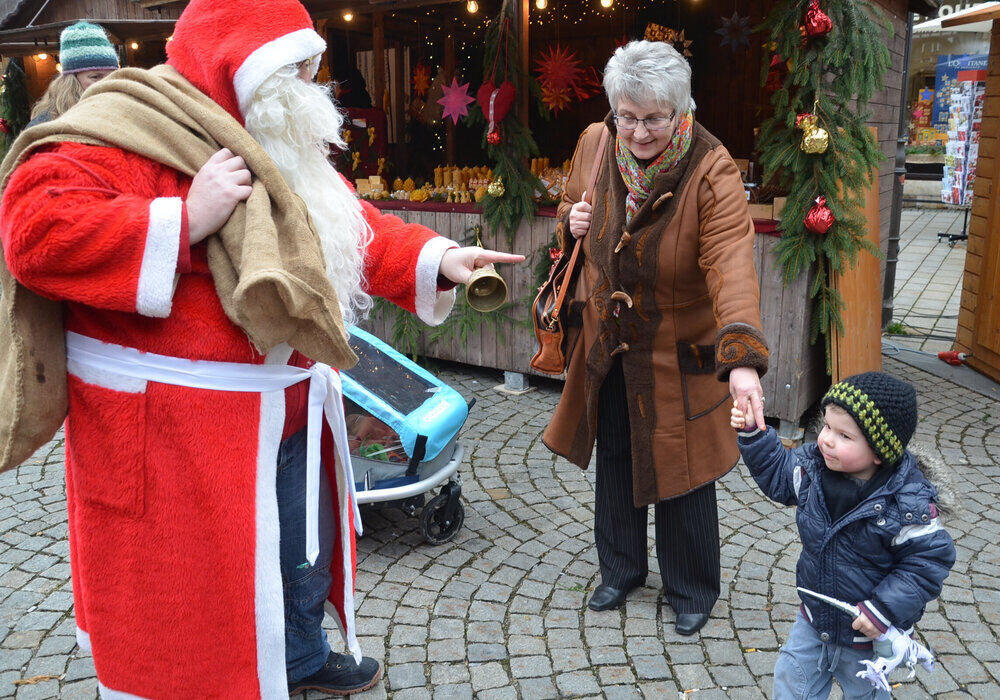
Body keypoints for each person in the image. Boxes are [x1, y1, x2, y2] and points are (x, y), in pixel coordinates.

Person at [0, 0, 521, 696]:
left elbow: (346, 224)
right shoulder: (129, 127)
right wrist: (186, 220)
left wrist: (436, 255)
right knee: (190, 608)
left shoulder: (275, 144)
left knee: (299, 555)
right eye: (296, 70)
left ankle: (301, 659)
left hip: (289, 410)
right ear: (240, 71)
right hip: (176, 438)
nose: (314, 85)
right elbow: (35, 231)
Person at [542, 39, 769, 635]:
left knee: (681, 465)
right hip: (608, 342)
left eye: (654, 118)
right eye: (628, 116)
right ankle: (620, 570)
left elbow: (731, 264)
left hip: (676, 349)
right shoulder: (596, 143)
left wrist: (741, 357)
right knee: (615, 455)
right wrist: (571, 221)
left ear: (680, 110)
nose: (638, 132)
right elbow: (568, 209)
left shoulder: (710, 167)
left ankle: (692, 588)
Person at [732, 372, 956, 699]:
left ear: (880, 451)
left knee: (866, 694)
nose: (825, 439)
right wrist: (754, 432)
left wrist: (883, 610)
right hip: (814, 621)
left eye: (843, 435)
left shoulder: (909, 505)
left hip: (867, 637)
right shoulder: (814, 471)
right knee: (792, 684)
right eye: (826, 426)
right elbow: (779, 476)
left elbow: (926, 564)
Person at [26, 21, 119, 127]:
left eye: (112, 76)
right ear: (71, 81)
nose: (106, 83)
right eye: (96, 77)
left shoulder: (120, 112)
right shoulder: (44, 126)